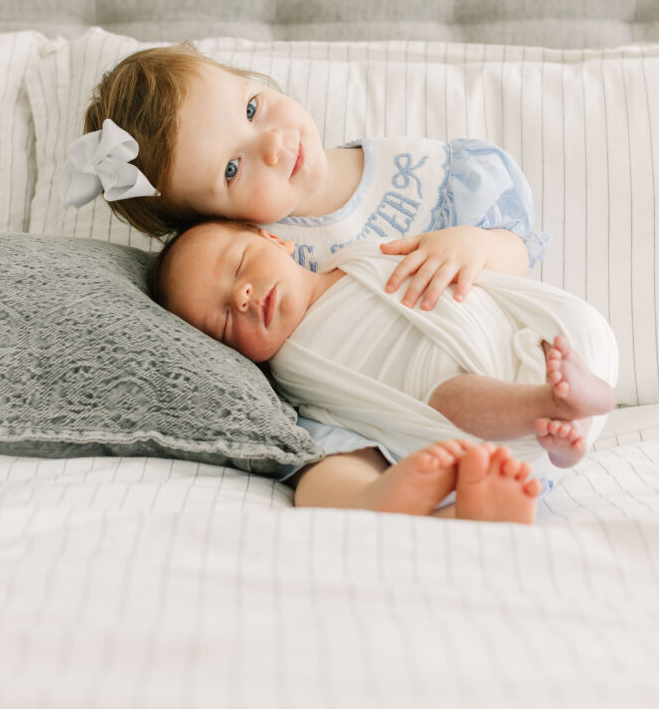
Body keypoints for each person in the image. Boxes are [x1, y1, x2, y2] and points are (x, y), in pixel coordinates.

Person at [59, 44, 553, 519]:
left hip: (480, 355)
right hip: (368, 403)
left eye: (252, 107)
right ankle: (390, 496)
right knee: (322, 465)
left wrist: (475, 245)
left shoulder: (431, 174)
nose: (273, 145)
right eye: (232, 169)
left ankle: (485, 465)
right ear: (215, 221)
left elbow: (518, 262)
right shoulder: (251, 265)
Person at [150, 220, 618, 518]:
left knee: (572, 326)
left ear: (274, 238)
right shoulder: (290, 373)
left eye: (239, 266)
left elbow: (493, 270)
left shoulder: (370, 252)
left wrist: (467, 242)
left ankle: (568, 411)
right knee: (449, 397)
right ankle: (556, 427)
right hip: (475, 412)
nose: (243, 296)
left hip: (534, 344)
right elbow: (347, 427)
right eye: (226, 319)